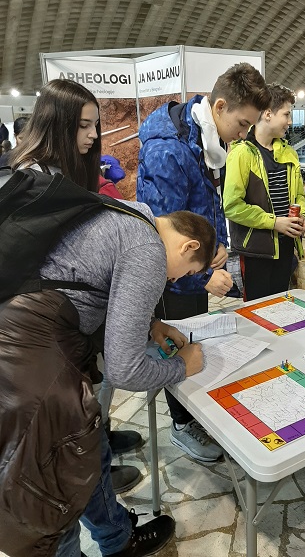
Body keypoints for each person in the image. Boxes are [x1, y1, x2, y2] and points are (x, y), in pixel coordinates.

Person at [3, 79, 215, 557]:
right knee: (52, 492)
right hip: (35, 360)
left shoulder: (132, 212)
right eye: (185, 272)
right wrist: (183, 367)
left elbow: (85, 275)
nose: (174, 280)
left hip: (24, 339)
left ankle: (117, 540)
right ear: (187, 247)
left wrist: (150, 325)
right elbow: (124, 369)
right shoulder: (146, 248)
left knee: (77, 457)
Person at [10, 82, 142, 495]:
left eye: (94, 125)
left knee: (85, 408)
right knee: (66, 440)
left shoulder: (60, 174)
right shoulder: (32, 182)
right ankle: (97, 486)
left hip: (66, 323)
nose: (92, 135)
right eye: (83, 126)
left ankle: (101, 449)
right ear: (57, 123)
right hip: (43, 331)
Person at [137, 62, 271, 462]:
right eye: (243, 124)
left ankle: (194, 414)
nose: (244, 134)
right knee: (176, 343)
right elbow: (164, 244)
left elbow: (210, 202)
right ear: (220, 106)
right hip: (173, 278)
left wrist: (219, 246)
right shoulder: (168, 150)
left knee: (194, 339)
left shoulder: (206, 141)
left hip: (194, 266)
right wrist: (201, 278)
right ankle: (182, 424)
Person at [223, 83, 305, 301]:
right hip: (256, 251)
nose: (290, 121)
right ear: (268, 114)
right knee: (257, 310)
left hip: (286, 247)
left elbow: (300, 196)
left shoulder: (289, 153)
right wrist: (274, 222)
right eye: (286, 114)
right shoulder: (242, 153)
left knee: (281, 307)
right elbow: (232, 206)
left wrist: (303, 215)